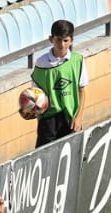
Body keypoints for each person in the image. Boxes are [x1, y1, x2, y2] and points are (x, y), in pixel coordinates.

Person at [30, 19, 88, 147]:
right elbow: (36, 93)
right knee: (45, 157)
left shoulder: (78, 61)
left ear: (71, 40)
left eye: (65, 40)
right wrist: (32, 108)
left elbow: (82, 91)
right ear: (51, 39)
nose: (62, 44)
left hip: (71, 119)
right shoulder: (42, 63)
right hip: (48, 120)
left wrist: (78, 117)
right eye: (58, 40)